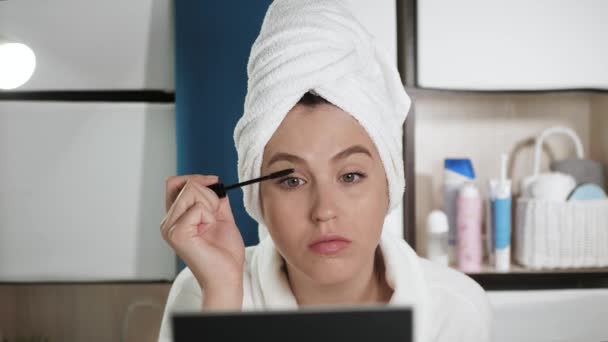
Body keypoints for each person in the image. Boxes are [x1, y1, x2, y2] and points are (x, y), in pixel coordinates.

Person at [158, 1, 492, 341]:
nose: (324, 211)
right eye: (291, 180)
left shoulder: (455, 310)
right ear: (257, 198)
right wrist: (222, 301)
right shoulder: (202, 292)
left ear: (389, 182)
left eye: (350, 176)